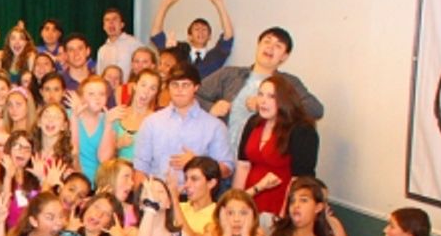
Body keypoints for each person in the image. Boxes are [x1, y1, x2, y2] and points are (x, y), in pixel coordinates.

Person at [197, 27, 324, 157]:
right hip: (219, 155)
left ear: (284, 56)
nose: (270, 47)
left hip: (260, 159)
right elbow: (192, 93)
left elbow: (316, 110)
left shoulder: (288, 83)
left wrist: (272, 105)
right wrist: (210, 107)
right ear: (258, 45)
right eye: (267, 41)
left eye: (278, 46)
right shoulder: (230, 74)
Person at [233, 74, 320, 217]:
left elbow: (300, 179)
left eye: (271, 97)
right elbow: (243, 166)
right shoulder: (253, 122)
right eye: (260, 94)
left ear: (285, 100)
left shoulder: (302, 130)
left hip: (281, 201)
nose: (263, 101)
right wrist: (235, 203)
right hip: (250, 198)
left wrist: (284, 216)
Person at [133, 64, 233, 183]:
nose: (179, 90)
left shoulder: (215, 126)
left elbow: (227, 169)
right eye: (175, 85)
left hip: (196, 194)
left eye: (185, 85)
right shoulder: (151, 123)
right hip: (157, 191)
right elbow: (140, 169)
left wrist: (199, 163)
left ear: (196, 87)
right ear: (168, 87)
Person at [149, 0, 235, 77]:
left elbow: (228, 36)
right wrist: (164, 5)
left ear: (210, 36)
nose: (200, 32)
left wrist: (219, 4)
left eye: (204, 29)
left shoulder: (214, 57)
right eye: (196, 29)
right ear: (189, 36)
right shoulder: (179, 52)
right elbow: (156, 34)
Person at [97, 8, 143, 81]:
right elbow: (100, 75)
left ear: (122, 25)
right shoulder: (102, 50)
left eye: (114, 19)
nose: (111, 23)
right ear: (104, 27)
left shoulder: (133, 44)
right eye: (107, 20)